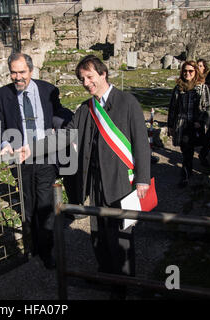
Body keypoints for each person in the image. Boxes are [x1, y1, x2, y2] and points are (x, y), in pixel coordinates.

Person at [64, 55, 151, 299]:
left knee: (121, 233)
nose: (86, 82)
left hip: (122, 181)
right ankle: (105, 274)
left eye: (90, 76)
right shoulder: (86, 108)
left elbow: (141, 143)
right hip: (96, 181)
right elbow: (67, 135)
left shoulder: (127, 102)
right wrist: (35, 146)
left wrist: (143, 179)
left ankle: (123, 283)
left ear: (103, 74)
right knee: (99, 230)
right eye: (82, 79)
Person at [0, 52, 62, 270]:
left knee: (45, 204)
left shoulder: (48, 90)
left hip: (44, 156)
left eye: (22, 72)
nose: (17, 77)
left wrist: (62, 132)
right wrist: (5, 145)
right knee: (27, 204)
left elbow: (59, 115)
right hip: (21, 158)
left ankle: (47, 250)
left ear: (31, 71)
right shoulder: (2, 94)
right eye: (13, 72)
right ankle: (31, 246)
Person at [168, 61, 210, 187]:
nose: (187, 73)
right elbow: (173, 108)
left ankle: (185, 175)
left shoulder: (202, 88)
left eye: (190, 71)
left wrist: (202, 122)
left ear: (196, 72)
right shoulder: (178, 88)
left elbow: (207, 108)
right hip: (181, 123)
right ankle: (188, 169)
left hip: (194, 124)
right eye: (185, 71)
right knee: (185, 149)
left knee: (188, 149)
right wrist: (170, 125)